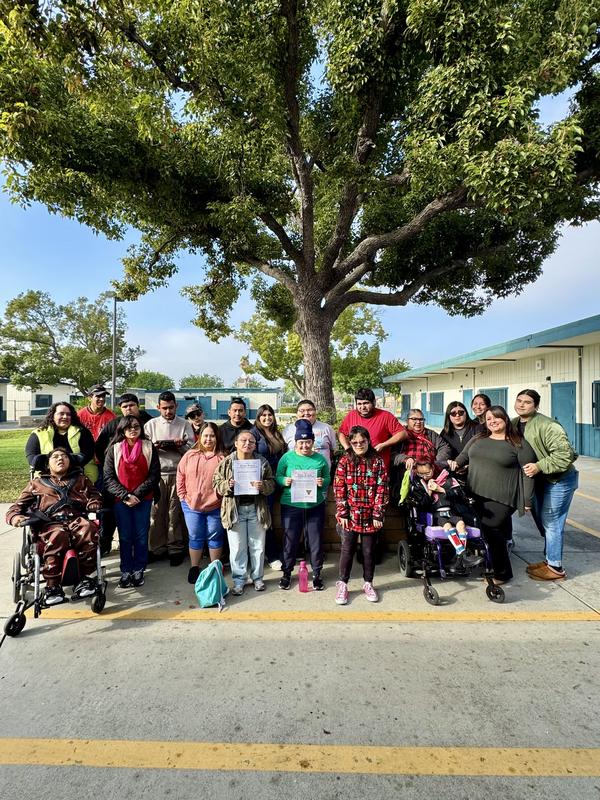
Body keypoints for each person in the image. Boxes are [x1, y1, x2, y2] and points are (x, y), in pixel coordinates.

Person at [450, 406, 536, 585]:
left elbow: (529, 472)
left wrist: (527, 500)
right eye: (489, 419)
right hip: (475, 493)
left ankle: (502, 573)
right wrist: (454, 464)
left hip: (503, 496)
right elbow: (464, 455)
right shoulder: (478, 438)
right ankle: (487, 563)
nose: (492, 421)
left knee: (492, 528)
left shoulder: (518, 443)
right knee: (482, 529)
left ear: (505, 419)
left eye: (496, 418)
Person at [6, 448, 102, 606]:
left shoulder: (81, 479)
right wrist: (15, 517)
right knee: (58, 534)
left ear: (70, 461)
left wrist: (94, 503)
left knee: (88, 529)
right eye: (55, 457)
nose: (60, 459)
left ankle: (85, 580)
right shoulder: (36, 483)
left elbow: (95, 495)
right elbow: (17, 507)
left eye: (64, 456)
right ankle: (52, 587)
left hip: (76, 519)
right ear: (47, 464)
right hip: (50, 523)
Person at [513, 389, 579, 581]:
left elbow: (566, 455)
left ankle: (556, 567)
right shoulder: (514, 423)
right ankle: (550, 558)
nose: (522, 404)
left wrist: (539, 466)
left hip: (559, 480)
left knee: (552, 521)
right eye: (519, 400)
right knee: (542, 520)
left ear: (536, 406)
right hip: (538, 482)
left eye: (527, 402)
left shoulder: (548, 425)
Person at [213, 428, 275, 595]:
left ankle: (258, 578)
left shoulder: (261, 462)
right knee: (237, 547)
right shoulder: (227, 462)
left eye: (251, 441)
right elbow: (216, 484)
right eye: (244, 441)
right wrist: (228, 485)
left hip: (257, 509)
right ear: (236, 444)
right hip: (235, 510)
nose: (247, 444)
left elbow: (272, 482)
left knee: (258, 546)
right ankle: (239, 580)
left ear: (255, 445)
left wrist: (264, 486)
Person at [103, 415, 161, 589]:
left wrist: (137, 495)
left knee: (142, 536)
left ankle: (139, 569)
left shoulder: (148, 447)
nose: (133, 430)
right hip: (121, 501)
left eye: (136, 426)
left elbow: (154, 475)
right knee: (125, 536)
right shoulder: (114, 449)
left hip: (144, 499)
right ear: (122, 430)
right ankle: (126, 570)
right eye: (129, 427)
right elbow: (108, 478)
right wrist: (126, 495)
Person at [333, 426, 389, 605]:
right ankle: (342, 584)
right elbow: (339, 488)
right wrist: (342, 512)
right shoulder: (344, 461)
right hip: (350, 515)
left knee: (368, 551)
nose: (359, 444)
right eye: (355, 442)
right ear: (350, 442)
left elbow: (382, 489)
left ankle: (368, 583)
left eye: (362, 441)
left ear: (368, 441)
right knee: (347, 549)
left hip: (371, 515)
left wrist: (378, 514)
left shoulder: (378, 462)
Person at [276, 419, 331, 591]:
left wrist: (323, 481)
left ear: (313, 442)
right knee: (290, 540)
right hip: (291, 505)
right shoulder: (287, 458)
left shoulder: (320, 459)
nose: (305, 446)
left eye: (308, 442)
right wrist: (284, 480)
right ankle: (286, 573)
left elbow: (328, 478)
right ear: (296, 443)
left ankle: (316, 574)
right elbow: (277, 476)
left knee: (315, 541)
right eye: (301, 442)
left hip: (315, 506)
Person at [95, 392, 153, 555]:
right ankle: (105, 543)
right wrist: (110, 463)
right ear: (120, 409)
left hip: (144, 477)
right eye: (125, 406)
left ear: (138, 406)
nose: (128, 409)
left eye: (131, 405)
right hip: (116, 480)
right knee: (109, 514)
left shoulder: (148, 422)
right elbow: (99, 447)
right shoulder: (113, 425)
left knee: (144, 519)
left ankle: (145, 549)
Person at [144, 391, 195, 566]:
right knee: (156, 512)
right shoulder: (150, 425)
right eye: (164, 408)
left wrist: (179, 445)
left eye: (171, 407)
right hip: (157, 474)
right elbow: (143, 450)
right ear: (158, 407)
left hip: (178, 473)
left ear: (176, 407)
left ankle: (176, 547)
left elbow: (192, 450)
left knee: (175, 512)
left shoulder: (185, 424)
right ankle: (156, 548)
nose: (168, 411)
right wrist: (155, 447)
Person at [408, 459, 481, 572]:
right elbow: (422, 505)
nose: (425, 476)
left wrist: (441, 489)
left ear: (432, 468)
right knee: (447, 526)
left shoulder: (446, 480)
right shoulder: (419, 485)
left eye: (427, 473)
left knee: (461, 524)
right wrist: (430, 492)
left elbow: (459, 495)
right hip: (436, 515)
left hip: (451, 511)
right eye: (420, 474)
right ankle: (463, 554)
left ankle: (459, 557)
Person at [177, 421, 226, 585]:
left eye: (212, 436)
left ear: (217, 437)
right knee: (195, 536)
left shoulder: (223, 458)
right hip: (191, 505)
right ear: (200, 437)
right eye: (205, 435)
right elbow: (180, 475)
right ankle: (195, 567)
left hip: (215, 505)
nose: (209, 439)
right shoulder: (190, 455)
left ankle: (214, 567)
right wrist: (182, 495)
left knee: (215, 536)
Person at [250, 404, 286, 569]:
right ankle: (271, 556)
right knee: (267, 517)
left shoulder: (277, 432)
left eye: (269, 414)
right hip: (265, 482)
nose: (267, 418)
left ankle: (284, 551)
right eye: (263, 415)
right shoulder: (254, 433)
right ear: (258, 417)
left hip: (279, 479)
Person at [25, 401, 96, 483]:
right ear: (53, 416)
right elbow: (32, 457)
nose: (65, 417)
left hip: (78, 476)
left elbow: (88, 453)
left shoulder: (82, 432)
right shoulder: (38, 433)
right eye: (61, 414)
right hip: (46, 478)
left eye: (68, 414)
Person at [338, 388, 406, 472]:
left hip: (378, 467)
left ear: (374, 402)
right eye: (359, 404)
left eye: (366, 403)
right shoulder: (351, 415)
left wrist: (384, 444)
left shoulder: (386, 416)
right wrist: (347, 448)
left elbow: (402, 433)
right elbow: (341, 433)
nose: (362, 407)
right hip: (355, 466)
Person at [282, 399, 337, 468]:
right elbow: (283, 450)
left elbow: (333, 450)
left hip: (321, 473)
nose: (306, 413)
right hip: (294, 473)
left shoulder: (326, 428)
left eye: (310, 410)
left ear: (315, 411)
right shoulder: (289, 429)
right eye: (302, 410)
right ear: (297, 413)